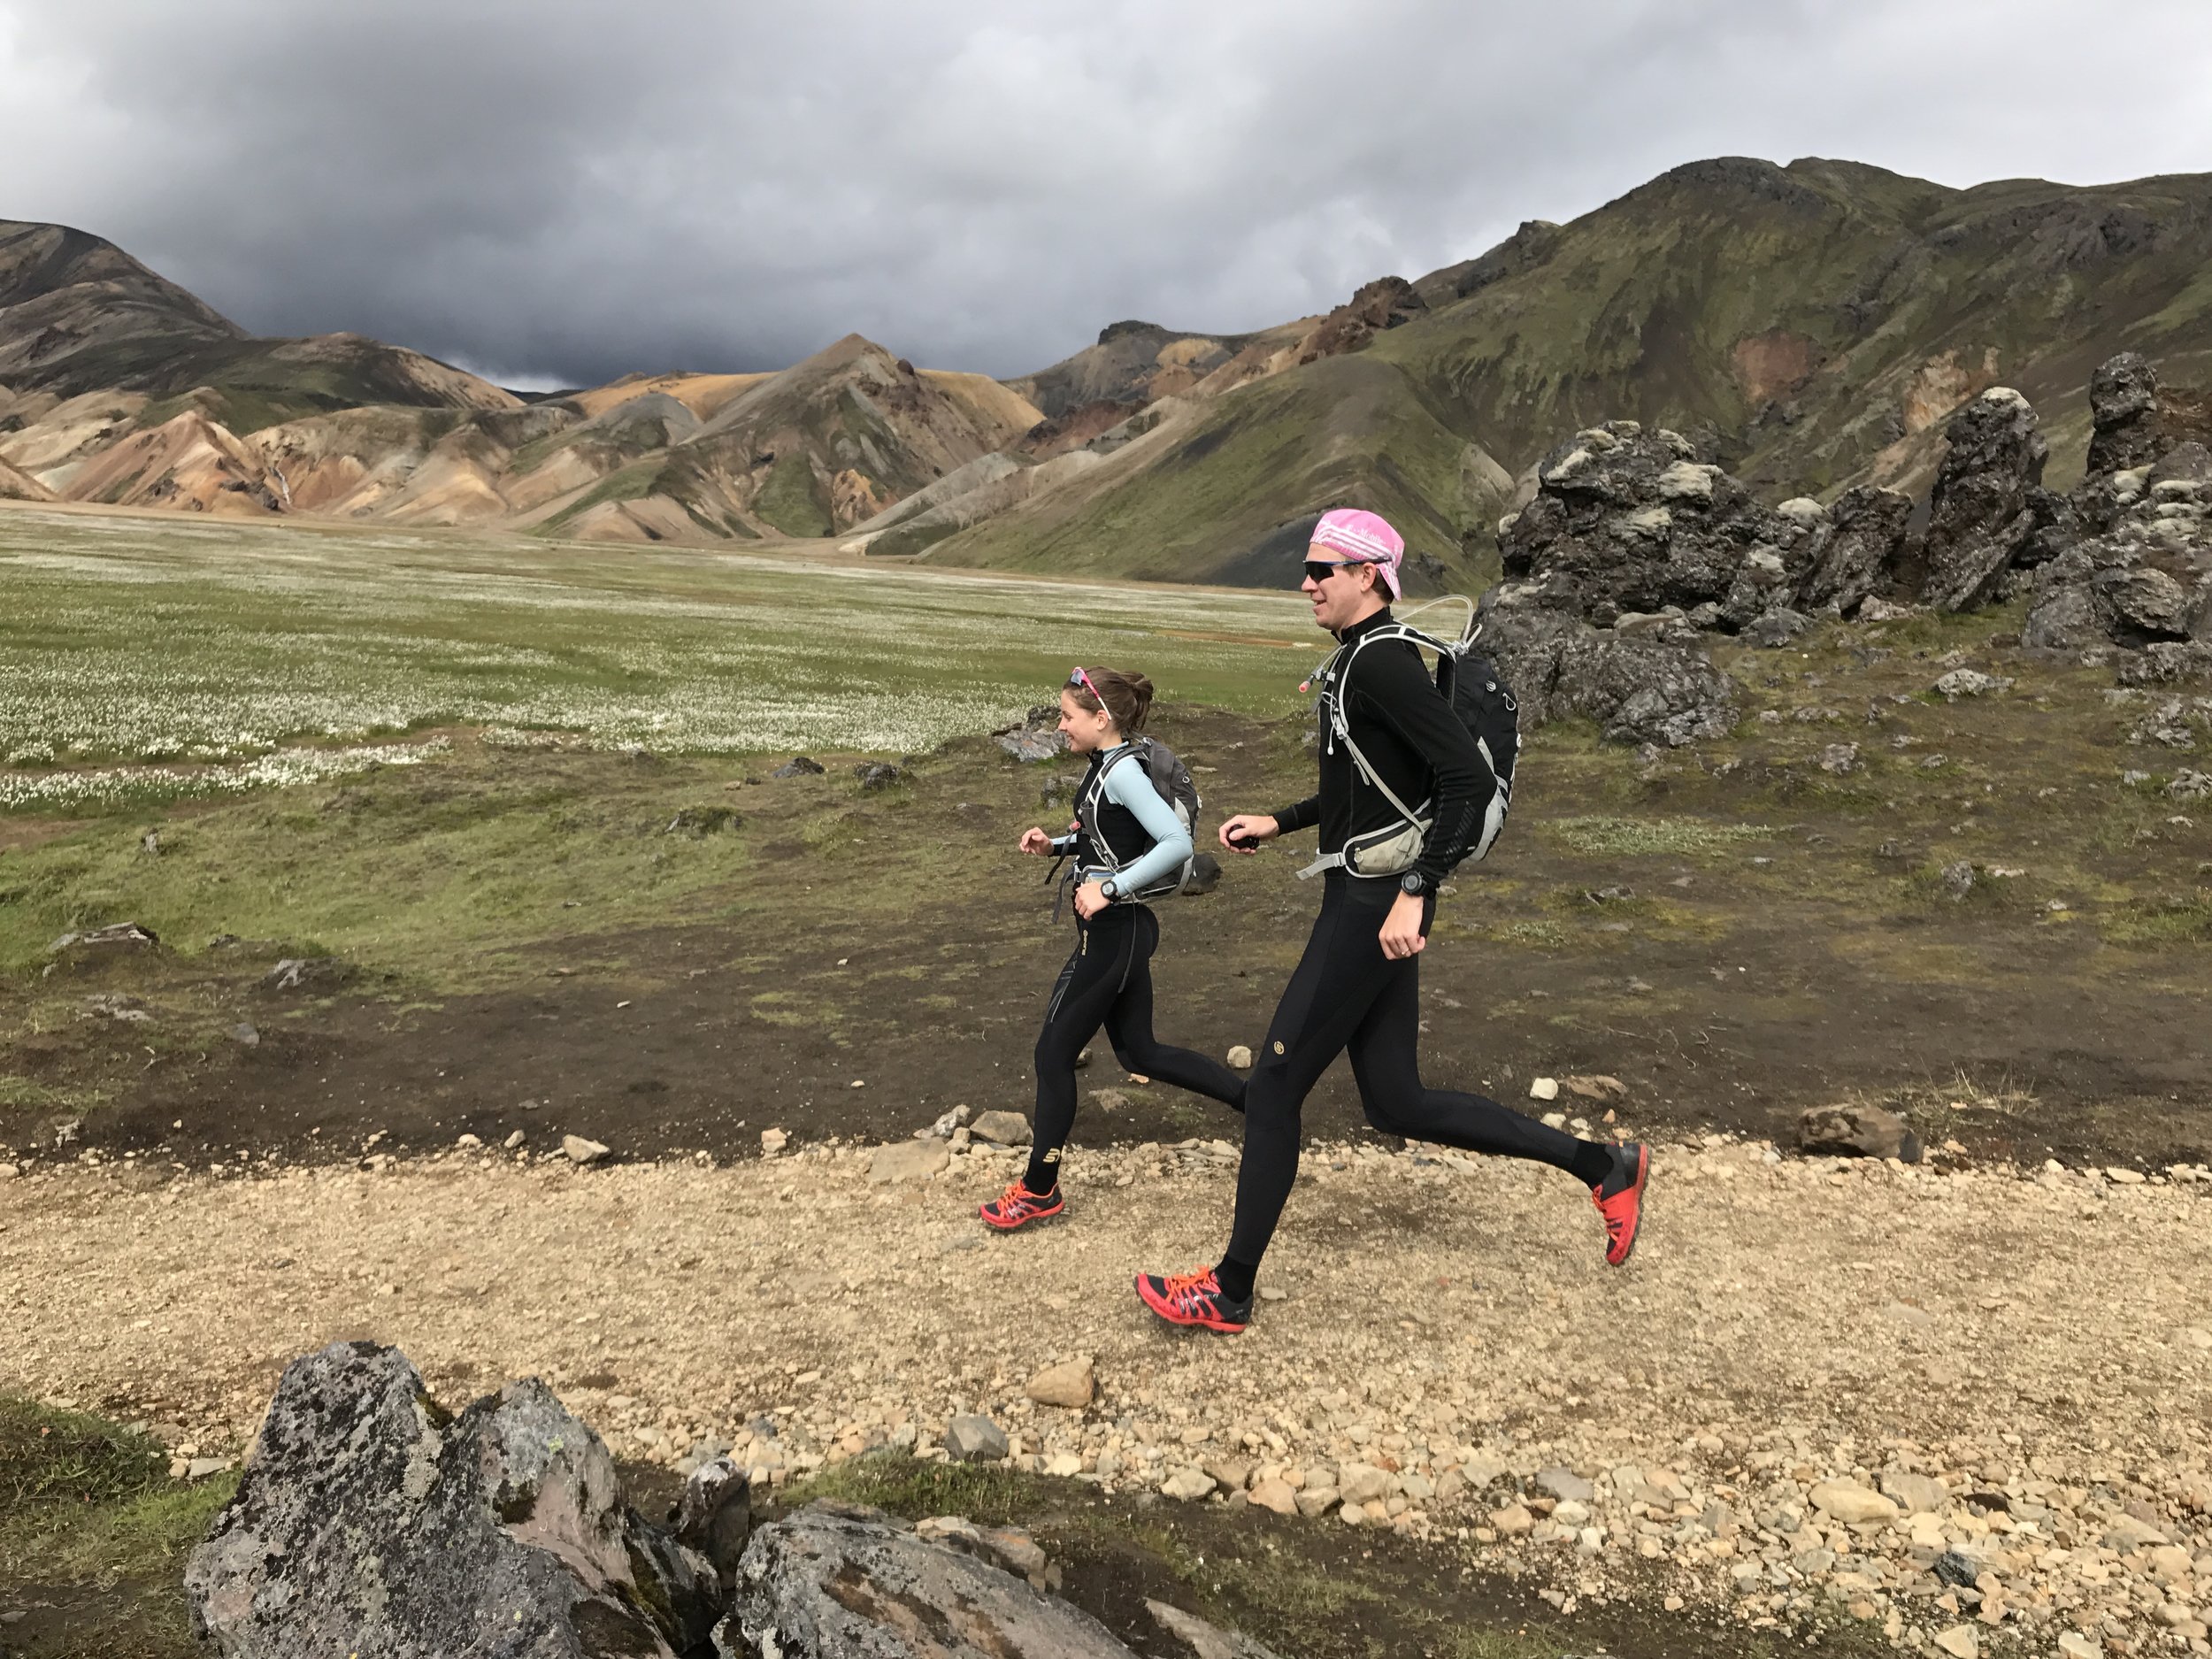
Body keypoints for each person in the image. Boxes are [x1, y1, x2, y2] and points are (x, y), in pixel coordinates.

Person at [1133, 509, 1650, 1333]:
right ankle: (1604, 1164)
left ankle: (1229, 1289)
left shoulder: (1383, 664)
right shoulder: (1359, 663)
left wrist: (1418, 886)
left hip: (1374, 904)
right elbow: (1376, 791)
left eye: (1321, 571)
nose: (1306, 584)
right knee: (1397, 1102)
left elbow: (1462, 784)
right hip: (1366, 891)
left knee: (1273, 1084)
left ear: (1370, 575)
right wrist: (1282, 819)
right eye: (1308, 570)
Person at [982, 666, 1247, 1230]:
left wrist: (1109, 888)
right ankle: (1255, 1101)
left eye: (1068, 717)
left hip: (1115, 936)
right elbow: (1110, 836)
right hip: (1118, 935)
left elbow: (1176, 844)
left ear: (1101, 719)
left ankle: (1039, 1189)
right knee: (1140, 1053)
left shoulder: (1123, 770)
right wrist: (1054, 842)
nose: (1060, 726)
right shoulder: (1105, 766)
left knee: (1053, 1056)